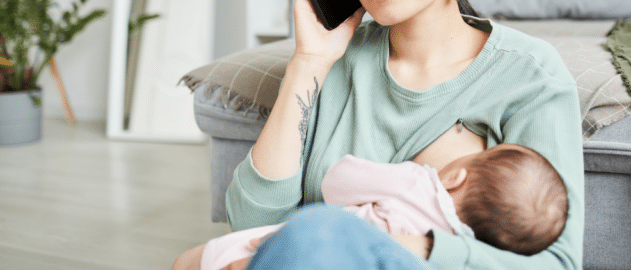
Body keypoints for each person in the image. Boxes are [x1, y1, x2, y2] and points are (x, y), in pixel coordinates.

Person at [225, 0, 585, 269]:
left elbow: (557, 263)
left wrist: (398, 244)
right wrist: (309, 60)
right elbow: (250, 225)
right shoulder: (335, 62)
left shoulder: (529, 74)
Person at [172, 143, 569, 270]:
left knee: (190, 261)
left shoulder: (420, 182)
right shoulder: (456, 254)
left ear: (456, 178)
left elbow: (337, 182)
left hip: (303, 248)